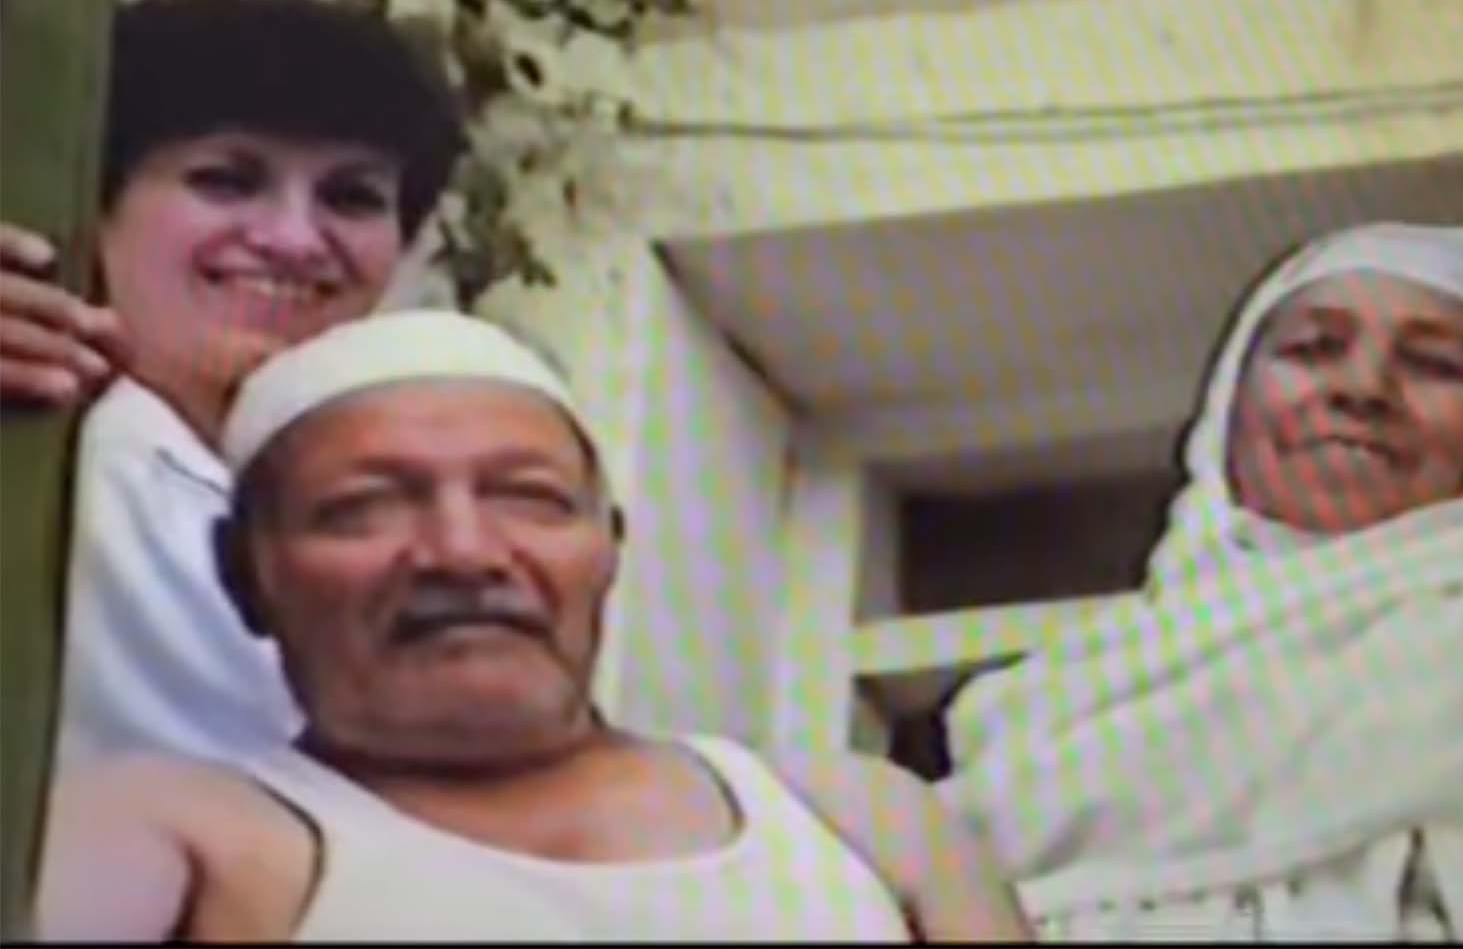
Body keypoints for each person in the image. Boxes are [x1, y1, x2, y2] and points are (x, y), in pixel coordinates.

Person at [34, 310, 1031, 942]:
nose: (462, 551)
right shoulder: (180, 832)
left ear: (608, 548)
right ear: (245, 575)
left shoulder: (852, 821)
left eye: (528, 498)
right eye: (363, 507)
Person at [939, 223, 1463, 941]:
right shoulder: (1055, 704)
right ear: (1229, 396)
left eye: (1434, 364)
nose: (1363, 388)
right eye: (1314, 349)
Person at [0, 0, 466, 766]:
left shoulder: (417, 516)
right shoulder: (45, 447)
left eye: (351, 197)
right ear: (98, 207)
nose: (293, 240)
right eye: (224, 180)